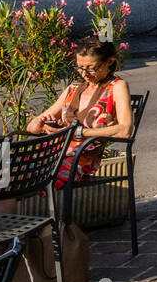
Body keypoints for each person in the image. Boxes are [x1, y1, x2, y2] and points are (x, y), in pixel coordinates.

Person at [27, 37, 134, 190]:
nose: (85, 74)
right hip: (50, 153)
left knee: (13, 184)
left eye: (91, 68)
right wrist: (38, 125)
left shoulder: (116, 87)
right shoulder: (73, 89)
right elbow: (33, 125)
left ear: (109, 62)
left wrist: (79, 133)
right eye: (80, 68)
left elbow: (125, 130)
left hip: (77, 158)